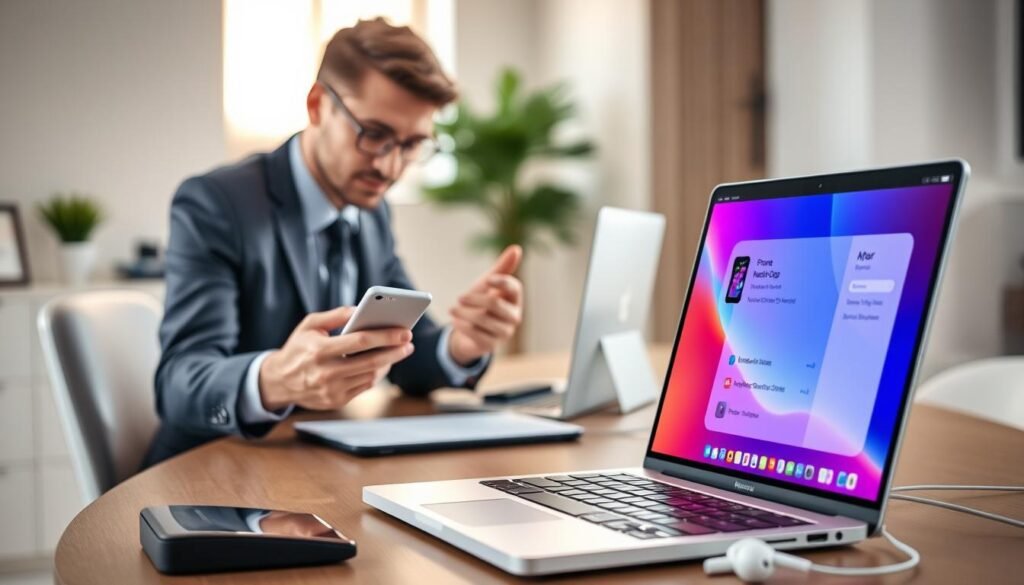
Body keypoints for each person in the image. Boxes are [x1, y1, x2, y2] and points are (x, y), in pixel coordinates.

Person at [143, 18, 523, 466]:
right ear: (318, 104)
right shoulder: (217, 204)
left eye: (412, 144)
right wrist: (274, 379)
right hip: (207, 474)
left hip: (312, 470)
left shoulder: (372, 209)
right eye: (375, 135)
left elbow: (406, 351)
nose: (390, 167)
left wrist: (463, 344)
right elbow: (179, 384)